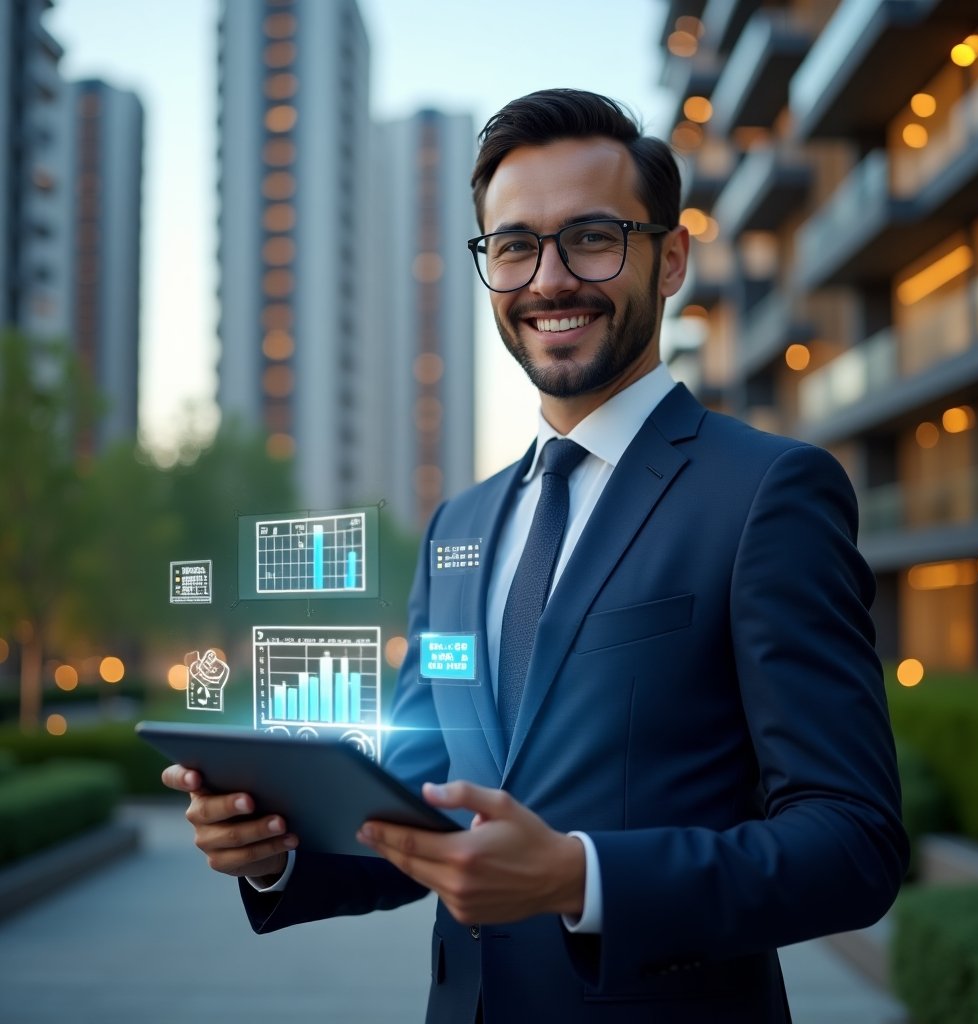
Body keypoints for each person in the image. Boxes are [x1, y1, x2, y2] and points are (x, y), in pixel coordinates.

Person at [163, 88, 908, 1022]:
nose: (548, 279)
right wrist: (277, 852)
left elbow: (854, 843)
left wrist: (580, 879)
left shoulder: (767, 493)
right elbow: (423, 802)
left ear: (669, 258)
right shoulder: (458, 529)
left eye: (592, 236)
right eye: (514, 246)